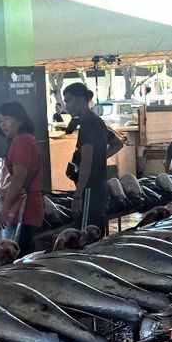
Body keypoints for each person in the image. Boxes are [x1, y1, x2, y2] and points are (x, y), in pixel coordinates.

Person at [63, 82, 127, 232]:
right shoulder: (96, 120)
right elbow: (118, 143)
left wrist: (78, 195)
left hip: (90, 190)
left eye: (68, 101)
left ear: (80, 100)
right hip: (99, 187)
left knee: (85, 236)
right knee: (94, 233)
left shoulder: (87, 124)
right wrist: (99, 158)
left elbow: (86, 161)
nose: (67, 107)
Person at [0, 101, 44, 254]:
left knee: (18, 256)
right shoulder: (23, 140)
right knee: (24, 253)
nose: (3, 124)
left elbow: (18, 178)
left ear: (20, 119)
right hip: (24, 207)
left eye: (7, 119)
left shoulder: (23, 140)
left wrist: (6, 209)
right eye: (0, 120)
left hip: (24, 208)